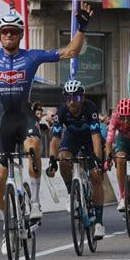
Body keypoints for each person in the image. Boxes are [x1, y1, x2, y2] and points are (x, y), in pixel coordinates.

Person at [0, 0, 94, 253]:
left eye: (14, 31)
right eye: (5, 32)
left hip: (24, 118)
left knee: (33, 148)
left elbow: (70, 52)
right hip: (3, 121)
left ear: (21, 35)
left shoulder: (32, 57)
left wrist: (82, 29)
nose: (9, 35)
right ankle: (7, 227)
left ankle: (34, 203)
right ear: (0, 35)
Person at [46, 80, 106, 240]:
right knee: (63, 159)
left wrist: (98, 160)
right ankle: (71, 193)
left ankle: (99, 223)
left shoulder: (90, 108)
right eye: (68, 99)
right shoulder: (62, 111)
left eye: (76, 99)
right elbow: (55, 140)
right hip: (72, 138)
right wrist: (52, 160)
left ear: (83, 98)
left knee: (95, 176)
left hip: (89, 139)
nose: (72, 102)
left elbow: (96, 138)